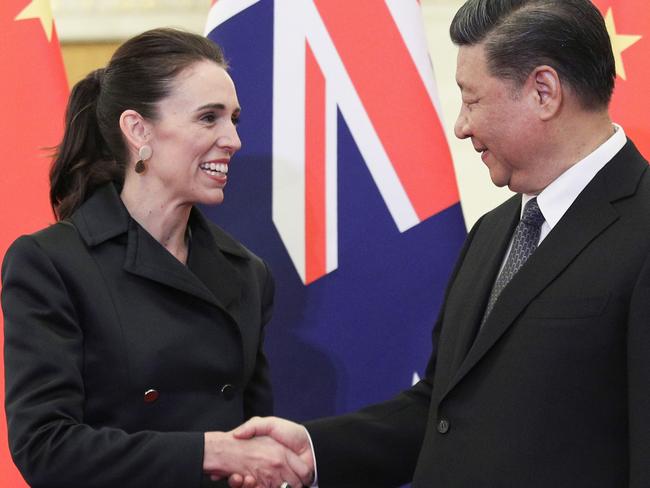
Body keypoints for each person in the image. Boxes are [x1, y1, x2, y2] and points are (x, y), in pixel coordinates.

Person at [227, 0, 650, 487]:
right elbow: (442, 410)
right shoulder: (492, 232)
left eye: (471, 100)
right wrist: (313, 451)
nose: (461, 125)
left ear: (543, 92)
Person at [1, 28, 310, 488]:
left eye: (234, 120)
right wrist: (209, 452)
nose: (233, 140)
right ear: (138, 129)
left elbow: (253, 432)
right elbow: (46, 447)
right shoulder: (51, 263)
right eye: (209, 118)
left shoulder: (247, 272)